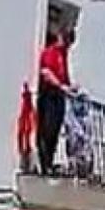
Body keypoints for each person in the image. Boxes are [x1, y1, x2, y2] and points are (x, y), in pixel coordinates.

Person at [37, 28, 74, 175]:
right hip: (49, 95)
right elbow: (46, 72)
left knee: (55, 131)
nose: (67, 45)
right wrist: (61, 86)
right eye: (66, 40)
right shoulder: (50, 52)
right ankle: (44, 163)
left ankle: (49, 162)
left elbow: (64, 75)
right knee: (47, 129)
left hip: (59, 95)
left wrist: (70, 87)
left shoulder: (63, 55)